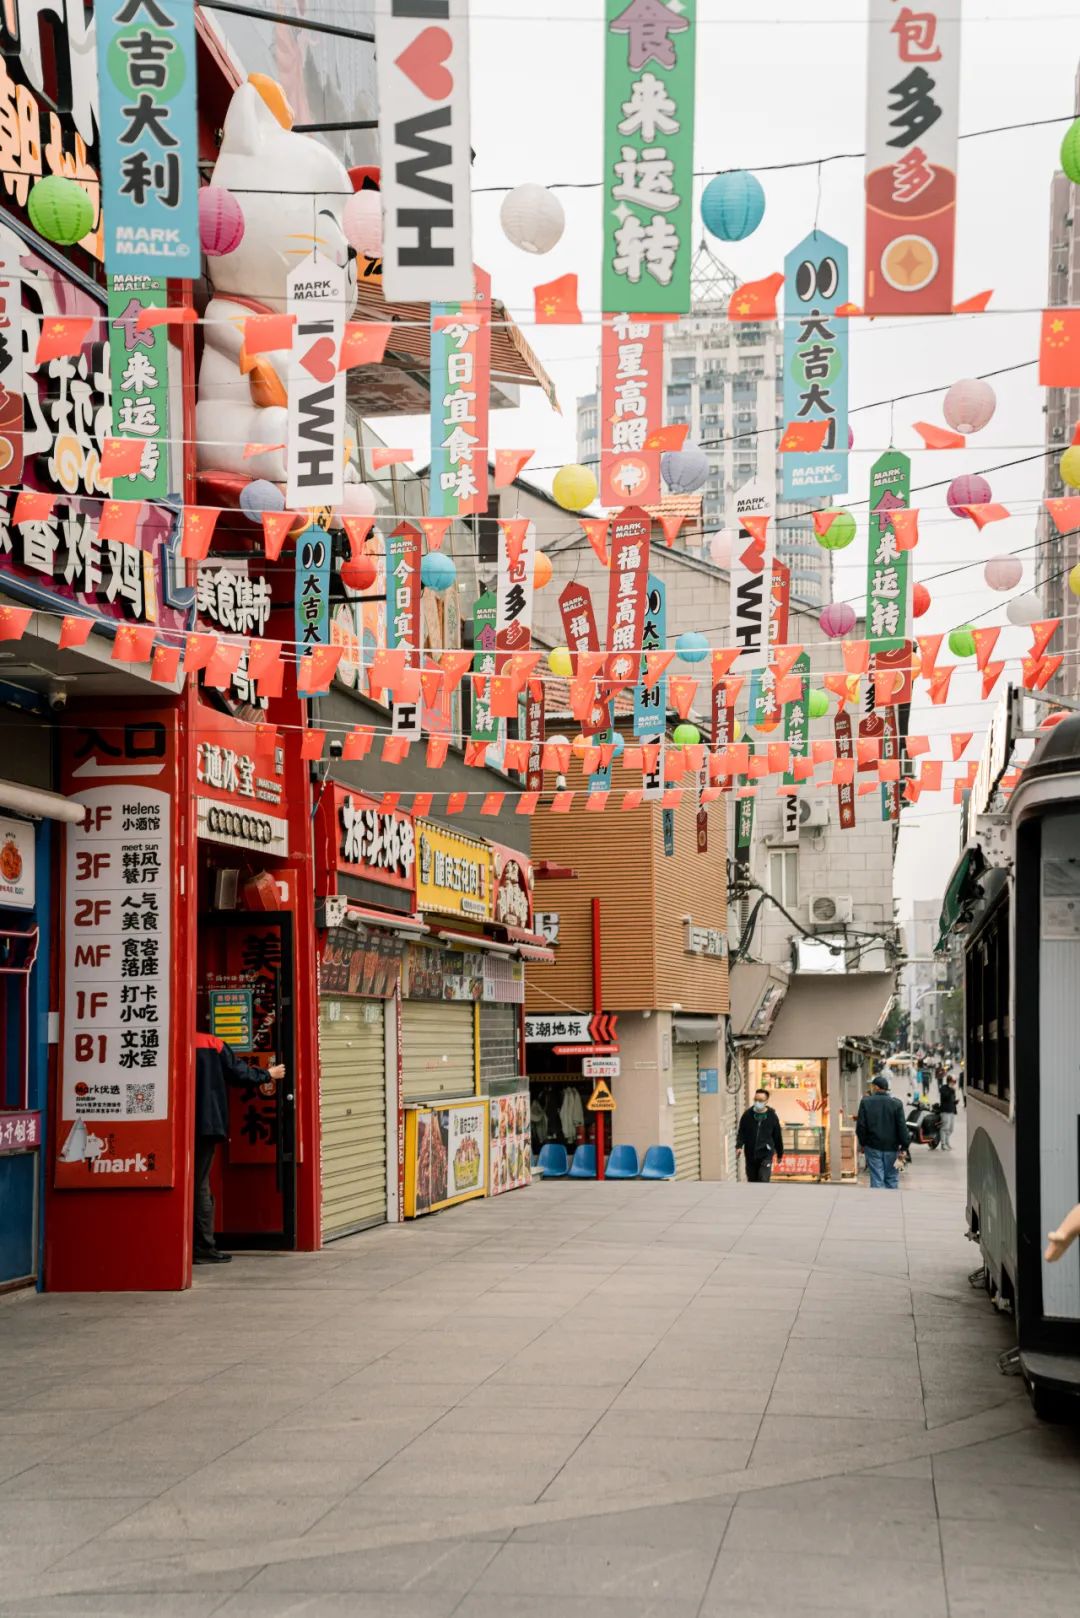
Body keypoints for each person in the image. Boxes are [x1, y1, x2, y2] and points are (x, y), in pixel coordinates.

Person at [194, 1032, 285, 1264]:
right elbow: (237, 1072)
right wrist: (268, 1074)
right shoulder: (211, 1043)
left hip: (172, 1126)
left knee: (191, 1183)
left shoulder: (163, 1038)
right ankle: (203, 1246)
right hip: (206, 1123)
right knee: (199, 1184)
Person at [856, 1073, 911, 1190]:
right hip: (893, 1148)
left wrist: (863, 1143)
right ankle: (891, 1204)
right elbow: (902, 1127)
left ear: (876, 1087)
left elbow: (861, 1126)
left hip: (872, 1146)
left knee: (876, 1177)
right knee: (892, 1177)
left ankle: (879, 1204)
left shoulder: (866, 1102)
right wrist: (904, 1147)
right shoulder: (896, 1103)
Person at [736, 1087, 785, 1182]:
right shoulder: (747, 1115)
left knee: (763, 1179)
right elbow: (742, 1132)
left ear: (766, 1101)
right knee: (752, 1180)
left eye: (761, 1100)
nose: (758, 1102)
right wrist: (739, 1146)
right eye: (756, 1099)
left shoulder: (772, 1116)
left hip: (766, 1154)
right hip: (750, 1154)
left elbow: (777, 1136)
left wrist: (780, 1154)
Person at [938, 1072, 959, 1150]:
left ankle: (947, 1142)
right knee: (945, 1127)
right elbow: (945, 1097)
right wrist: (951, 1090)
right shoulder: (944, 1088)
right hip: (945, 1111)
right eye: (953, 1082)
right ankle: (943, 1144)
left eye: (955, 1082)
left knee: (951, 1128)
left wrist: (955, 1102)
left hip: (951, 1110)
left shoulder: (952, 1090)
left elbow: (951, 1099)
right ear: (949, 1081)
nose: (954, 1083)